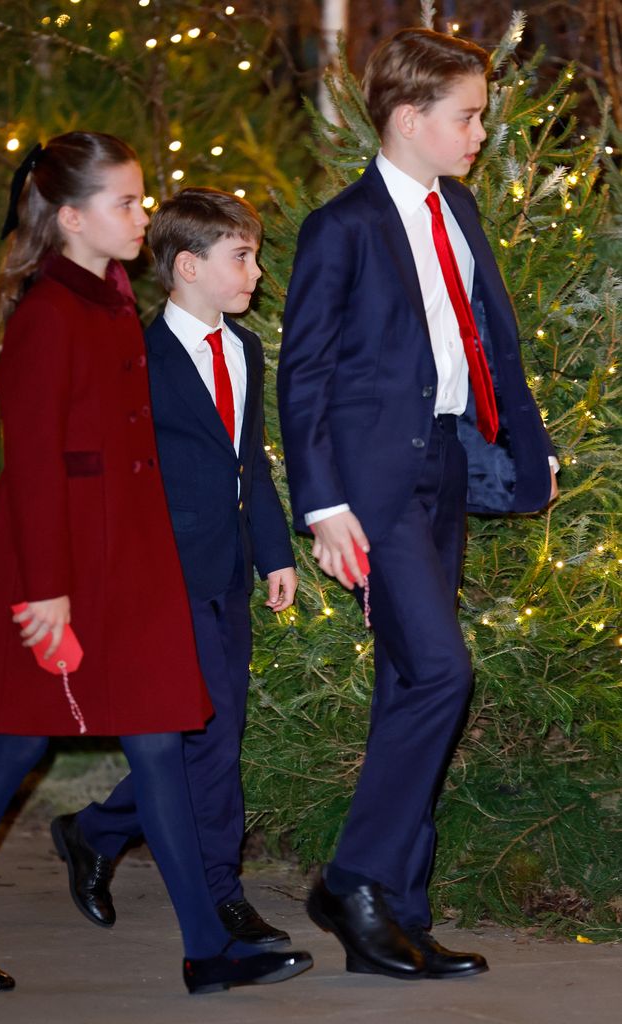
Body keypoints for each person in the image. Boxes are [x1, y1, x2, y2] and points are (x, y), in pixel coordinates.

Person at [0, 132, 312, 995]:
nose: (143, 214)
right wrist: (49, 592)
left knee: (160, 746)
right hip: (53, 575)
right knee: (13, 755)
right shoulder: (50, 311)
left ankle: (205, 948)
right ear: (70, 216)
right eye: (127, 203)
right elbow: (35, 464)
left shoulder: (110, 294)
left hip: (120, 565)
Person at [277, 28, 558, 981]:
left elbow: (492, 342)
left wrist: (528, 448)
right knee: (443, 672)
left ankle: (395, 913)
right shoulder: (343, 226)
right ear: (410, 119)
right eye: (467, 116)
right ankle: (351, 879)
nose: (481, 131)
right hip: (371, 493)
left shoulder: (461, 208)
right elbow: (302, 376)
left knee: (409, 681)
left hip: (441, 469)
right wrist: (322, 508)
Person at [51, 187, 298, 949]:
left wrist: (274, 551)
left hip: (226, 569)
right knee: (208, 737)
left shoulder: (246, 349)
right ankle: (221, 894)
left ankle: (94, 829)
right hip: (161, 574)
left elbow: (247, 459)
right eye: (242, 256)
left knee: (210, 734)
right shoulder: (140, 356)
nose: (256, 270)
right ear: (188, 266)